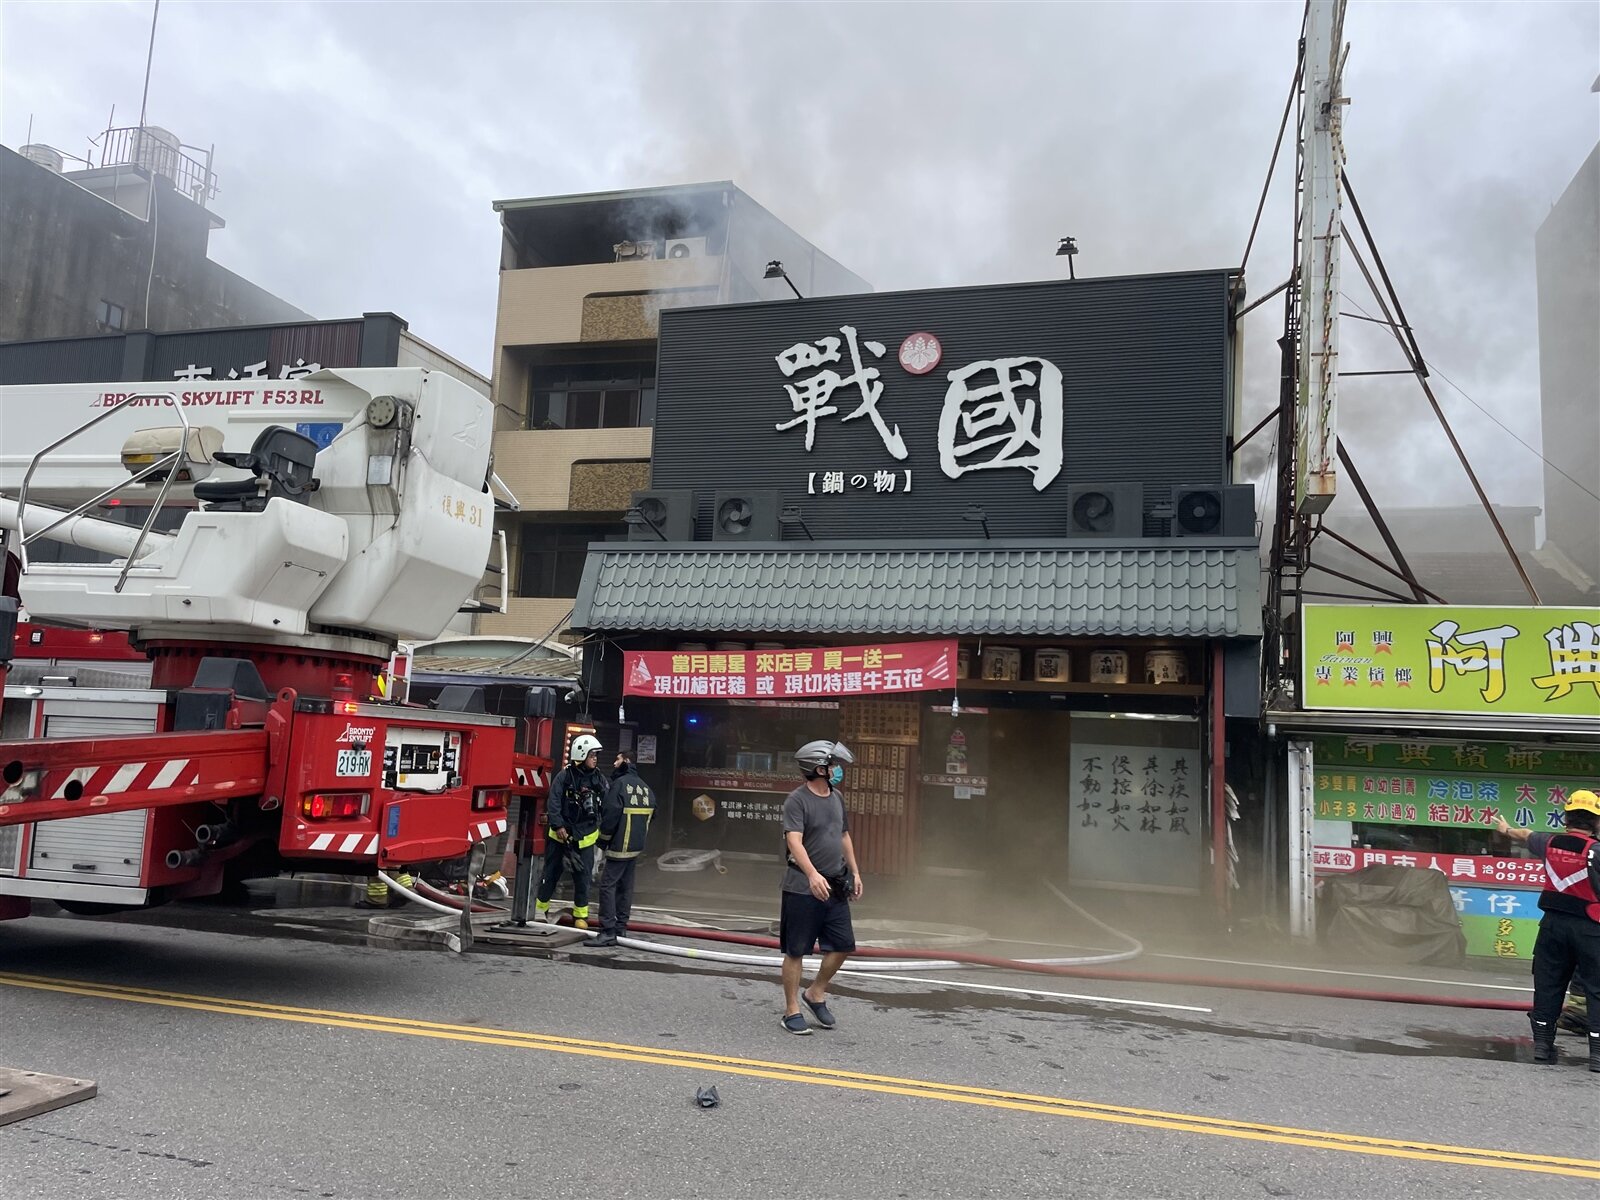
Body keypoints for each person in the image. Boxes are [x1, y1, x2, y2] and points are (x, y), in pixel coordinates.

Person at [1490, 787, 1600, 1072]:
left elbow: (1525, 835)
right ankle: (1597, 1057)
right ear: (1596, 821)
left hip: (1551, 926)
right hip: (1591, 930)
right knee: (1596, 990)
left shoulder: (1549, 843)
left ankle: (1541, 1047)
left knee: (1548, 985)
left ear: (1566, 818)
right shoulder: (1597, 851)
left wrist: (1505, 828)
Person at [778, 739, 863, 1035]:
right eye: (832, 765)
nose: (837, 770)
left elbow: (843, 835)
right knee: (796, 950)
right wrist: (812, 874)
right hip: (802, 886)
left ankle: (815, 992)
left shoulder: (837, 797)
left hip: (836, 884)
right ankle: (791, 1010)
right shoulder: (797, 800)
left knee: (842, 945)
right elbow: (794, 840)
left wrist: (855, 870)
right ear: (817, 768)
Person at [535, 734, 606, 929]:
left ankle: (580, 916)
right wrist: (558, 826)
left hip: (585, 838)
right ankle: (540, 911)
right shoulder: (564, 777)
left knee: (583, 879)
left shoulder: (598, 779)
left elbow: (605, 803)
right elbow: (554, 801)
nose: (595, 758)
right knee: (551, 874)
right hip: (560, 837)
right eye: (592, 755)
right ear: (581, 754)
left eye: (596, 755)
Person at [589, 752, 656, 948]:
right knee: (626, 887)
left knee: (607, 886)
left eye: (617, 759)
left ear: (625, 762)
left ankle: (607, 931)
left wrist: (602, 841)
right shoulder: (645, 787)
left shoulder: (618, 786)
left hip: (619, 847)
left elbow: (610, 817)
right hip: (635, 848)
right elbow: (655, 812)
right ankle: (620, 928)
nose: (614, 762)